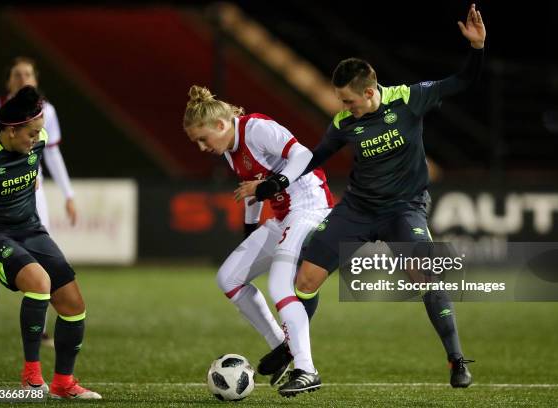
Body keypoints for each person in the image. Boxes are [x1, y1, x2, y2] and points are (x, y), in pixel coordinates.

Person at [244, 3, 486, 391]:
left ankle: (456, 359)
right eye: (342, 101)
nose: (344, 108)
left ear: (370, 92)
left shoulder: (409, 99)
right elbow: (314, 158)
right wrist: (275, 183)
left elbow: (462, 81)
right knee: (304, 278)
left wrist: (477, 49)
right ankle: (296, 354)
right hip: (357, 209)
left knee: (426, 274)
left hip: (404, 209)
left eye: (349, 101)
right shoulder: (344, 123)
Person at [184, 85, 333, 396]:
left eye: (203, 138)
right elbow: (251, 189)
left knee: (280, 285)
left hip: (310, 207)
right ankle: (282, 347)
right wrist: (251, 231)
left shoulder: (257, 129)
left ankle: (306, 369)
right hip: (282, 216)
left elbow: (304, 155)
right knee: (229, 278)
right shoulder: (228, 150)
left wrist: (271, 185)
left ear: (221, 125)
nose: (201, 147)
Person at [0, 86, 100, 399]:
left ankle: (63, 383)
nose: (37, 139)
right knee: (39, 282)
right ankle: (31, 376)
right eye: (31, 134)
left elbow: (32, 175)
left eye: (39, 132)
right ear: (10, 129)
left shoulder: (39, 141)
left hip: (31, 231)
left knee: (73, 305)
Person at [0, 56, 77, 348]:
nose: (23, 80)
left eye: (28, 75)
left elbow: (52, 152)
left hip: (30, 193)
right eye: (17, 75)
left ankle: (42, 326)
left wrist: (68, 194)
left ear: (35, 79)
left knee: (42, 255)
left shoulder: (47, 112)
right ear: (9, 80)